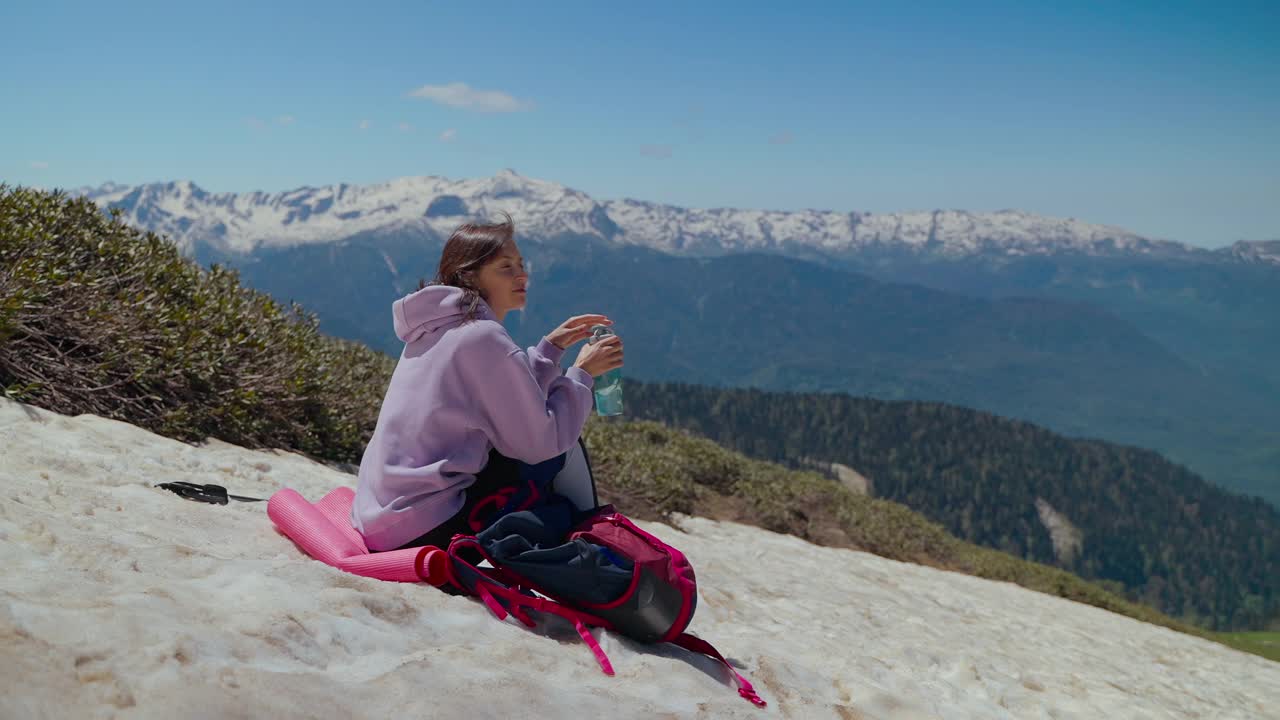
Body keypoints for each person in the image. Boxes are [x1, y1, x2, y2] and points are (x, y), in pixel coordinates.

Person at [350, 212, 624, 552]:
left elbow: (505, 401)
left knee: (543, 439)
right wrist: (582, 375)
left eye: (521, 264)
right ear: (471, 275)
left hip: (380, 514)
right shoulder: (483, 337)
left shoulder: (437, 325)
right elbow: (539, 443)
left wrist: (549, 352)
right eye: (505, 267)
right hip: (422, 525)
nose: (521, 274)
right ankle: (593, 544)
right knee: (563, 451)